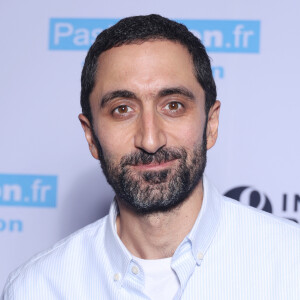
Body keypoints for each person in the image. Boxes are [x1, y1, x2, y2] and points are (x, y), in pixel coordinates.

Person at [2, 14, 300, 300]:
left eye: (173, 106)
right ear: (91, 135)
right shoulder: (37, 289)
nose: (150, 139)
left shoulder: (290, 265)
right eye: (122, 109)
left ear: (211, 125)